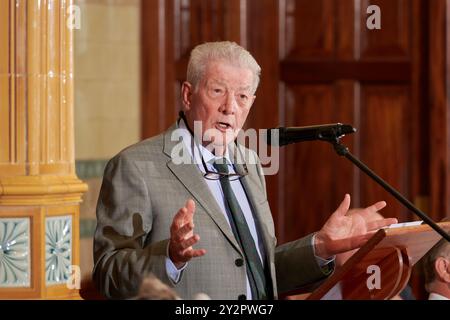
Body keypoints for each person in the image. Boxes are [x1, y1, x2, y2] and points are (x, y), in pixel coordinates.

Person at [93, 41, 397, 299]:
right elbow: (108, 273)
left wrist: (320, 247)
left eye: (242, 96)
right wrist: (170, 258)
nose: (230, 107)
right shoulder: (137, 166)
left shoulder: (250, 163)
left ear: (251, 102)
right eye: (217, 91)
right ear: (187, 95)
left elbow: (257, 267)